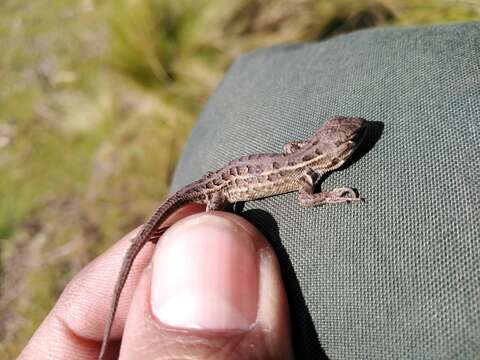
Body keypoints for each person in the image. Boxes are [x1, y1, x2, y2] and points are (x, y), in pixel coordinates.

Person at [18, 204, 293, 359]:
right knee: (206, 220)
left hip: (226, 180)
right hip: (221, 187)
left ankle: (161, 234)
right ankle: (165, 235)